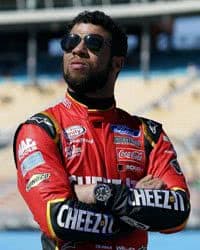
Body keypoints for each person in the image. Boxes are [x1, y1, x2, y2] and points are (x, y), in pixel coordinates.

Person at [13, 10, 190, 250]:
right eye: (71, 41)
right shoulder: (40, 130)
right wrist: (135, 213)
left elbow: (178, 212)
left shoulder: (149, 134)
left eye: (93, 43)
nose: (77, 49)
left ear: (117, 62)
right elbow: (58, 218)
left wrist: (98, 193)